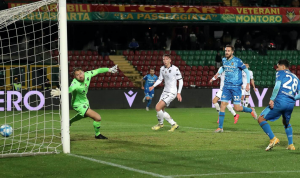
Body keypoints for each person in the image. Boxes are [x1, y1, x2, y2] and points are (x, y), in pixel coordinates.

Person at [50, 65, 118, 139]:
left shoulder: (88, 74)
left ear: (83, 72)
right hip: (77, 104)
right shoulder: (75, 83)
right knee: (97, 118)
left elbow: (98, 70)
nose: (80, 76)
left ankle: (69, 122)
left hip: (85, 101)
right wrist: (61, 92)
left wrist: (109, 69)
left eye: (81, 73)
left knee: (84, 115)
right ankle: (97, 135)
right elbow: (70, 89)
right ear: (75, 77)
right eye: (77, 75)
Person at [258, 59, 300, 151]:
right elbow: (299, 94)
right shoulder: (296, 78)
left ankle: (273, 139)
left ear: (283, 67)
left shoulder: (281, 73)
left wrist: (272, 99)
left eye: (278, 66)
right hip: (291, 104)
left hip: (280, 101)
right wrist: (293, 98)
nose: (277, 69)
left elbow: (277, 86)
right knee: (286, 122)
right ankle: (291, 145)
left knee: (261, 118)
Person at [214, 45, 257, 133]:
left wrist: (248, 83)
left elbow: (247, 72)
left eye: (228, 51)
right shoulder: (224, 60)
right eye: (226, 50)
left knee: (237, 108)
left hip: (236, 87)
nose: (226, 52)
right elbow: (223, 68)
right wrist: (218, 74)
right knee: (223, 105)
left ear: (232, 52)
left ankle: (250, 110)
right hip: (226, 87)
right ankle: (220, 127)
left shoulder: (238, 61)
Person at [149, 54, 183, 132]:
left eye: (167, 59)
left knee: (157, 107)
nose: (165, 61)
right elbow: (160, 79)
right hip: (165, 91)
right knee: (162, 110)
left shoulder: (175, 69)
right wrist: (153, 86)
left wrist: (179, 92)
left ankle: (160, 124)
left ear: (170, 60)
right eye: (164, 59)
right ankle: (174, 124)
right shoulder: (162, 69)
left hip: (172, 92)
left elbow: (180, 80)